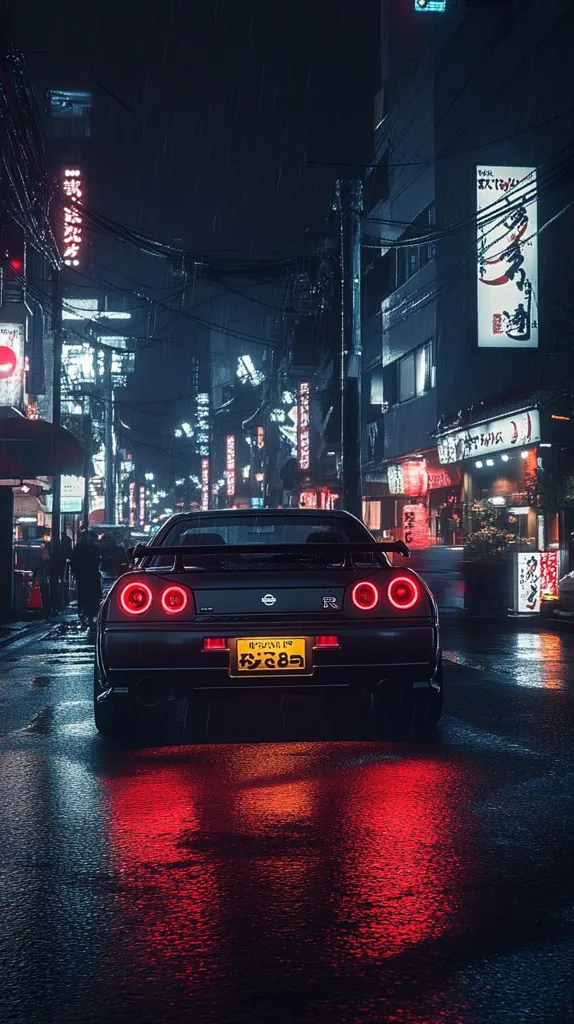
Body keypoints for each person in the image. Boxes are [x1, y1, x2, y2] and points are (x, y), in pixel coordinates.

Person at [70, 531, 102, 631]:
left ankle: (84, 613)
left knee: (83, 595)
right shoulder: (94, 548)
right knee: (92, 596)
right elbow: (98, 561)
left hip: (83, 576)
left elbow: (73, 562)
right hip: (91, 576)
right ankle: (90, 615)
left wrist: (76, 572)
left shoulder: (79, 548)